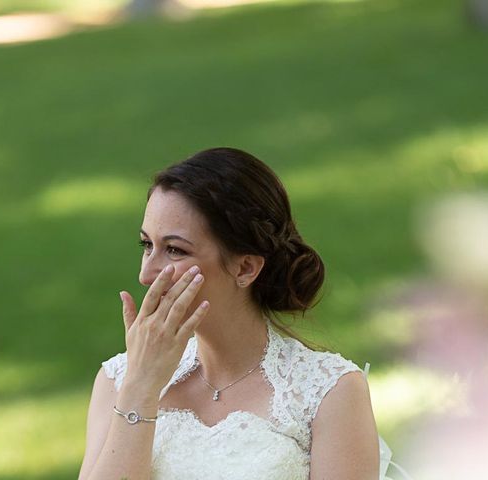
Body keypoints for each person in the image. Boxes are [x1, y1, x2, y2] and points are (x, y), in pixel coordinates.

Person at [78, 147, 381, 480]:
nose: (147, 275)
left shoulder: (328, 392)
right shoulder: (118, 380)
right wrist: (141, 386)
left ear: (246, 267)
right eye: (146, 245)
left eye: (175, 250)